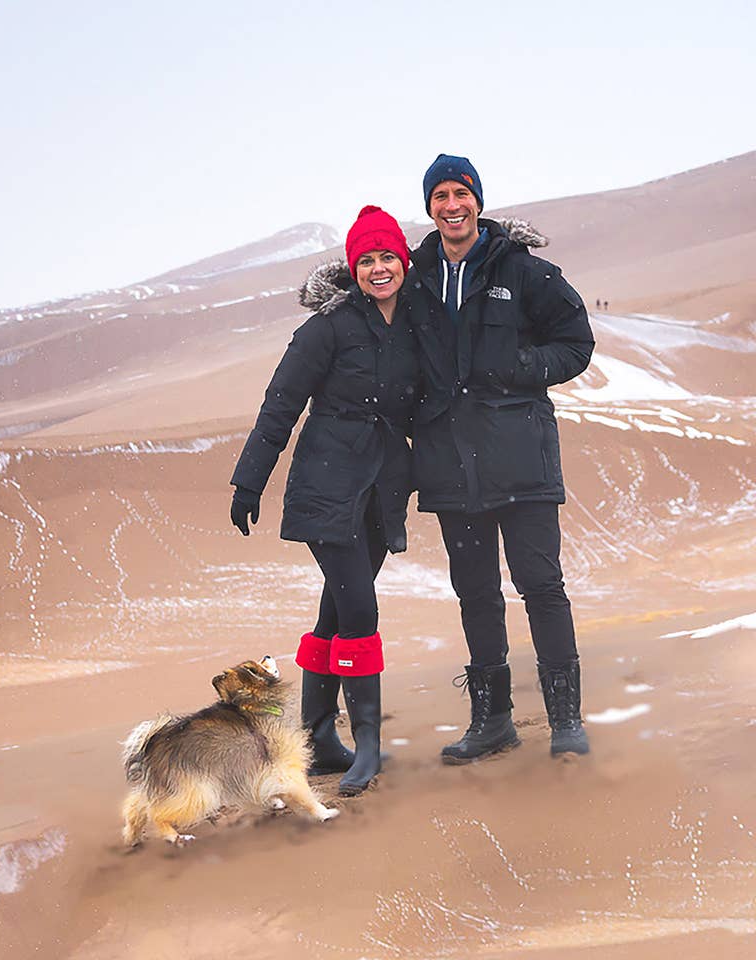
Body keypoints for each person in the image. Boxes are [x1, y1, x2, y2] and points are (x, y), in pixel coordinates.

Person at [407, 154, 595, 761]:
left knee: (542, 585)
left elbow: (576, 342)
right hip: (449, 465)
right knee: (476, 593)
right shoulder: (412, 278)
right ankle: (493, 721)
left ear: (478, 202)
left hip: (521, 458)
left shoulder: (523, 271)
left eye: (461, 193)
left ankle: (566, 718)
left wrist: (522, 369)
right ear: (429, 207)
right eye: (440, 196)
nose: (451, 206)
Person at [230, 205, 419, 795]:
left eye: (388, 256)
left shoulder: (417, 324)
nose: (379, 268)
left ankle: (315, 739)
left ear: (404, 262)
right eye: (367, 260)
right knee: (360, 609)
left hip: (382, 487)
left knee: (337, 611)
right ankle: (366, 745)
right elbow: (281, 403)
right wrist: (249, 481)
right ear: (352, 269)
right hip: (327, 486)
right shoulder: (326, 330)